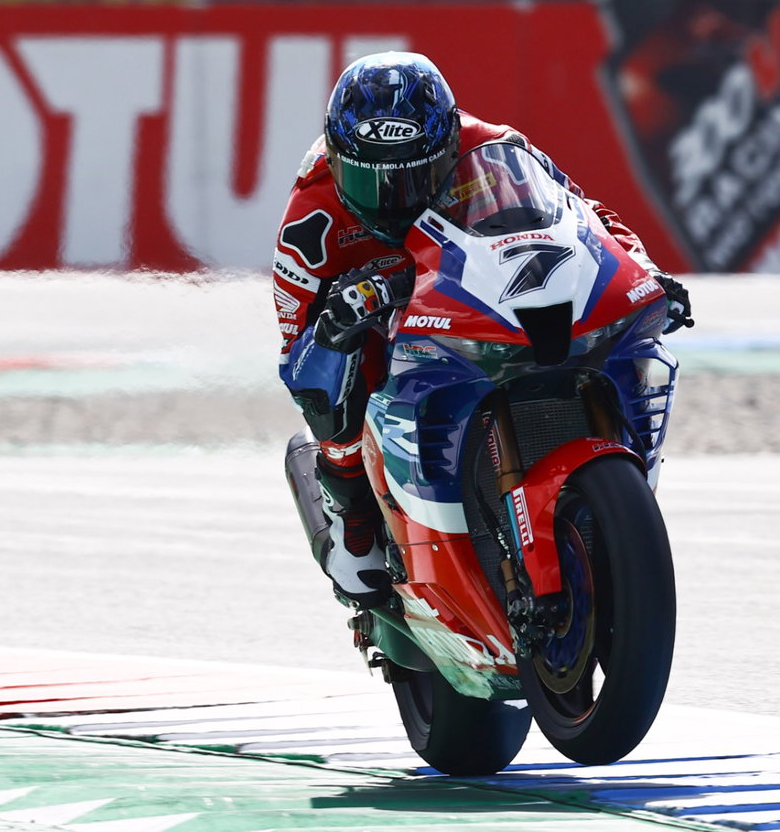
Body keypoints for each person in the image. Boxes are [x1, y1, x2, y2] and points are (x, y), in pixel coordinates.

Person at [273, 51, 692, 609]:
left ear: (448, 147)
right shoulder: (311, 217)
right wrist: (339, 323)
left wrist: (644, 268)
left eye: (413, 177)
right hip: (371, 301)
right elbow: (298, 362)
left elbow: (586, 216)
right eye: (368, 180)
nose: (391, 199)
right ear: (336, 157)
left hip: (462, 285)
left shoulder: (494, 147)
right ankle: (351, 521)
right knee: (334, 377)